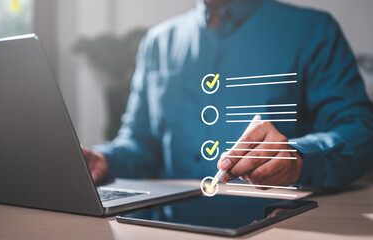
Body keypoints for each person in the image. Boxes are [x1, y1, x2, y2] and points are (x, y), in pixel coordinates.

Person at [83, 0, 373, 189]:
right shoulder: (157, 43)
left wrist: (298, 157)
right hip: (169, 227)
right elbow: (140, 142)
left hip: (278, 224)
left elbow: (361, 133)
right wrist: (103, 159)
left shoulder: (314, 31)